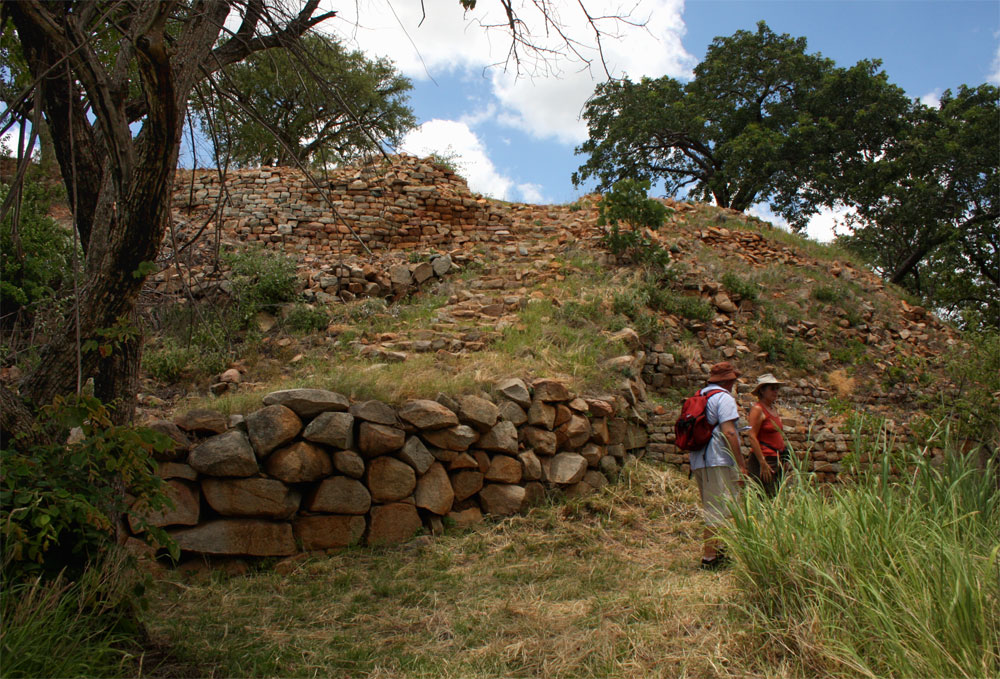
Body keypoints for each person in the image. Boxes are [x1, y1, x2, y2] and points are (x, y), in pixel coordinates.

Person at [689, 361, 748, 570]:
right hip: (717, 459)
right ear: (729, 381)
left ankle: (719, 550)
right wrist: (741, 464)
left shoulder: (700, 395)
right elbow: (729, 431)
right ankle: (710, 558)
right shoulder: (724, 398)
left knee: (717, 505)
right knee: (716, 509)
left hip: (699, 460)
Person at [747, 373, 789, 498]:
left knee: (775, 497)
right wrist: (763, 462)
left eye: (777, 388)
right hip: (765, 459)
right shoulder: (758, 409)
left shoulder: (773, 409)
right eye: (772, 388)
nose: (776, 391)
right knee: (764, 497)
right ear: (762, 391)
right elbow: (752, 436)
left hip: (777, 458)